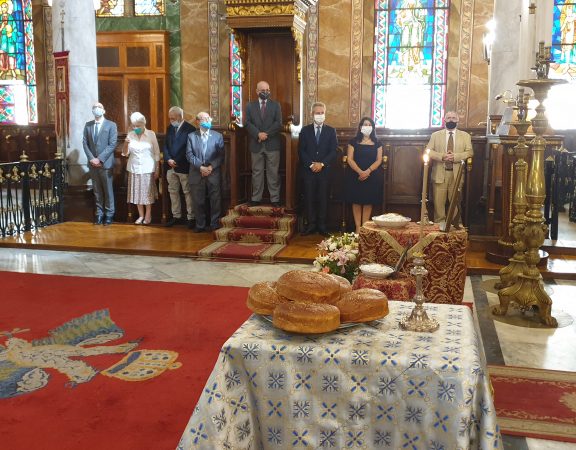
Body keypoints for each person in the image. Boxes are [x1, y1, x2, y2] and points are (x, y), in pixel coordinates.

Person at [298, 102, 338, 237]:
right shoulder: (305, 130)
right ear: (312, 114)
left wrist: (322, 164)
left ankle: (322, 226)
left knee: (323, 198)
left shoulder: (331, 131)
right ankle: (311, 225)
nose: (320, 115)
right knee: (309, 197)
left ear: (325, 114)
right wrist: (311, 164)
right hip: (308, 171)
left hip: (324, 171)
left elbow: (333, 151)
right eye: (317, 113)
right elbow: (301, 150)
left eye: (322, 113)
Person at [426, 110, 473, 225]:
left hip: (456, 174)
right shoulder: (435, 135)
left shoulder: (465, 136)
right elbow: (428, 151)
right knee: (439, 204)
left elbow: (469, 152)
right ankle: (439, 226)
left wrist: (455, 157)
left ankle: (454, 226)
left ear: (457, 120)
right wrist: (442, 156)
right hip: (439, 174)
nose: (451, 120)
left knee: (455, 203)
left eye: (453, 118)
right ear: (444, 120)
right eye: (448, 118)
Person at [245, 80, 283, 207]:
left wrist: (265, 134)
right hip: (256, 144)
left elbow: (278, 123)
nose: (265, 92)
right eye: (263, 90)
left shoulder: (276, 105)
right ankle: (256, 198)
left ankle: (275, 199)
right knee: (257, 172)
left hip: (272, 144)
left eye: (267, 90)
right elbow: (247, 123)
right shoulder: (250, 106)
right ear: (257, 91)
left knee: (273, 173)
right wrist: (258, 134)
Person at [186, 111, 225, 233]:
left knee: (215, 200)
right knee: (198, 201)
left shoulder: (218, 136)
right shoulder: (191, 136)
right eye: (204, 119)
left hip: (213, 173)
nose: (207, 121)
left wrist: (210, 167)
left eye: (208, 118)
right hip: (196, 173)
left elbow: (221, 156)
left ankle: (214, 224)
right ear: (198, 122)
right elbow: (189, 155)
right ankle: (200, 225)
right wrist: (201, 167)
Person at [345, 117, 384, 232]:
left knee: (368, 201)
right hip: (355, 175)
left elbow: (379, 160)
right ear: (360, 127)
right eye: (365, 124)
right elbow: (350, 159)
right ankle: (358, 227)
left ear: (372, 127)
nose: (367, 127)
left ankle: (364, 227)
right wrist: (360, 172)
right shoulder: (353, 141)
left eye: (369, 125)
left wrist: (367, 171)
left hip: (371, 175)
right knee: (356, 201)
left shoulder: (377, 142)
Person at [82, 101, 118, 226]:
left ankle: (109, 214)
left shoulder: (111, 125)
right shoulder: (88, 125)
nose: (96, 108)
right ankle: (99, 213)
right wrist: (92, 158)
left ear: (103, 110)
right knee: (97, 191)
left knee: (108, 190)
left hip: (105, 163)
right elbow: (85, 143)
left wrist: (100, 159)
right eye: (94, 107)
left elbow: (112, 144)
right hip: (93, 164)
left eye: (99, 107)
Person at [121, 112, 160, 225]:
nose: (135, 128)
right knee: (137, 193)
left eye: (138, 125)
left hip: (148, 168)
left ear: (143, 124)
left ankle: (148, 214)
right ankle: (141, 215)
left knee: (147, 193)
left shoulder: (151, 134)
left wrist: (157, 168)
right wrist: (126, 143)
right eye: (134, 126)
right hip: (134, 168)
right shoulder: (131, 134)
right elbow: (125, 153)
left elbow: (157, 152)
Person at [164, 106, 196, 228]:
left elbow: (188, 148)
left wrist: (176, 160)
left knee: (187, 192)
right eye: (170, 118)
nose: (171, 120)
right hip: (170, 167)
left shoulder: (190, 129)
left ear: (180, 116)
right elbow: (165, 145)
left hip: (183, 166)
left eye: (173, 118)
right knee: (173, 192)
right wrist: (168, 159)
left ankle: (191, 218)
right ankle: (176, 216)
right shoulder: (170, 128)